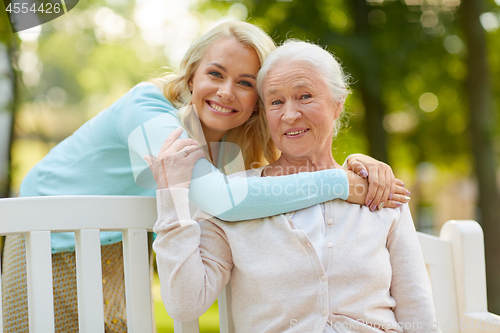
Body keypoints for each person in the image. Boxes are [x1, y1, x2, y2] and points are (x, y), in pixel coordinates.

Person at [2, 22, 407, 332]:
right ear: (192, 75)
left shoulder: (230, 150)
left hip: (121, 246)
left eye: (246, 83)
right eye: (215, 74)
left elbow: (273, 182)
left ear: (256, 103)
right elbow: (220, 200)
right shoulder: (148, 111)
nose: (227, 91)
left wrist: (353, 163)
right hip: (50, 236)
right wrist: (341, 184)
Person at [152, 40, 439, 333]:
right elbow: (184, 304)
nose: (289, 115)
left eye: (304, 96)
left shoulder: (377, 191)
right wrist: (171, 198)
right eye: (276, 102)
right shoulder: (235, 199)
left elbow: (417, 311)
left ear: (338, 104)